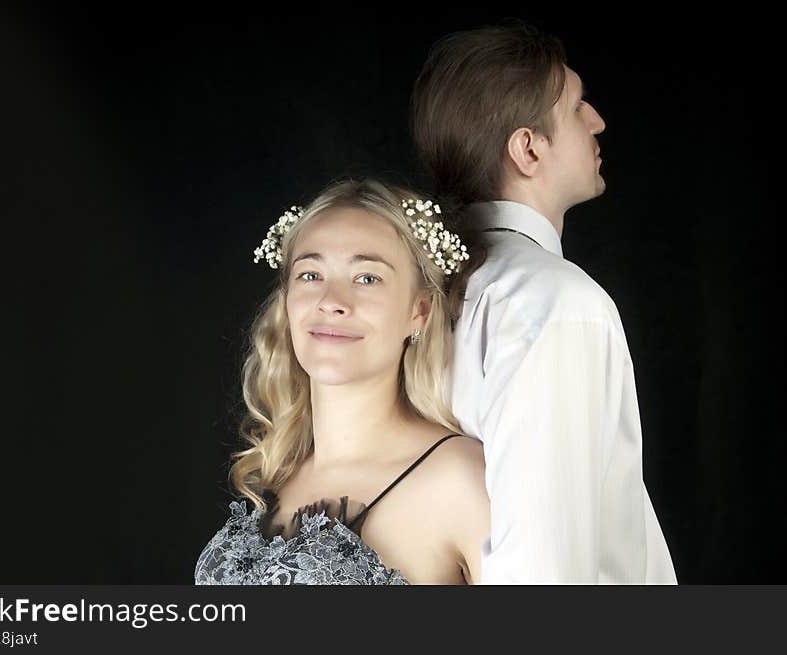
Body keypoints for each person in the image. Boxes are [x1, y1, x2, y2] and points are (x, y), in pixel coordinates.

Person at [411, 20, 677, 583]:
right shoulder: (556, 305)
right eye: (579, 105)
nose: (598, 120)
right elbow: (543, 570)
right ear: (527, 149)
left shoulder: (415, 292)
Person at [194, 178, 490, 585]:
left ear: (418, 311)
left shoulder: (460, 478)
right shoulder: (282, 466)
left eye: (367, 278)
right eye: (311, 274)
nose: (331, 301)